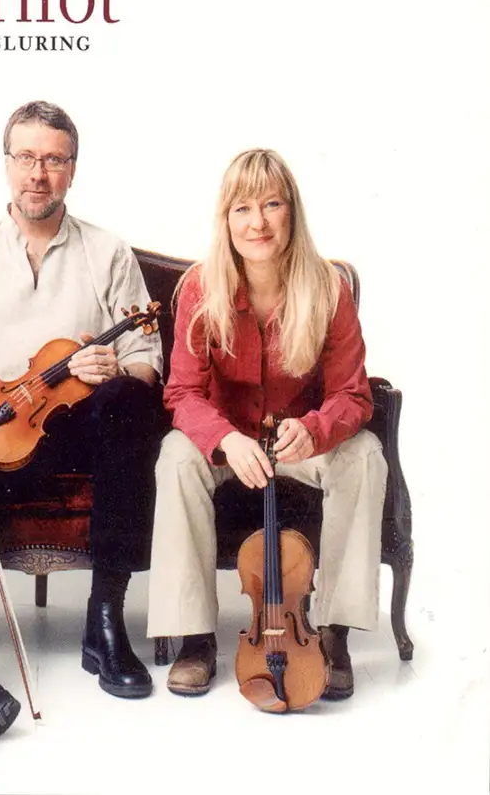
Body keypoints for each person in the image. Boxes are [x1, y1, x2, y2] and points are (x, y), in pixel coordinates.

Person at [0, 101, 165, 755]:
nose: (38, 174)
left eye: (53, 159)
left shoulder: (107, 253)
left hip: (79, 431)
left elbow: (146, 359)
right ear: (7, 164)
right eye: (26, 157)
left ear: (72, 168)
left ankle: (105, 623)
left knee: (129, 405)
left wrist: (115, 369)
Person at [147, 148, 387, 701]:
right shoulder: (199, 288)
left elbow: (353, 394)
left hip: (297, 442)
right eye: (243, 208)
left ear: (292, 212)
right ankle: (194, 638)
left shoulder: (328, 288)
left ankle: (334, 633)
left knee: (365, 454)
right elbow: (182, 393)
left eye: (272, 205)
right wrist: (225, 438)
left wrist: (316, 429)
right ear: (226, 219)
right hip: (229, 443)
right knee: (176, 456)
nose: (257, 222)